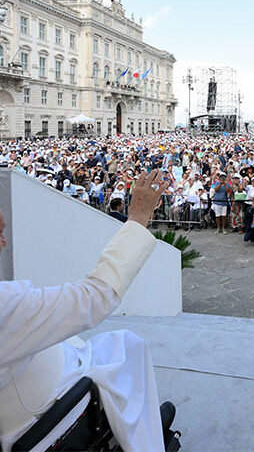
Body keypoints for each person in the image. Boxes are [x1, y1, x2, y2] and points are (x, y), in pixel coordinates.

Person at [0, 170, 174, 452]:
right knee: (126, 345)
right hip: (39, 415)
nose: (4, 242)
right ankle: (147, 441)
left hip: (24, 390)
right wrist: (139, 218)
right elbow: (95, 298)